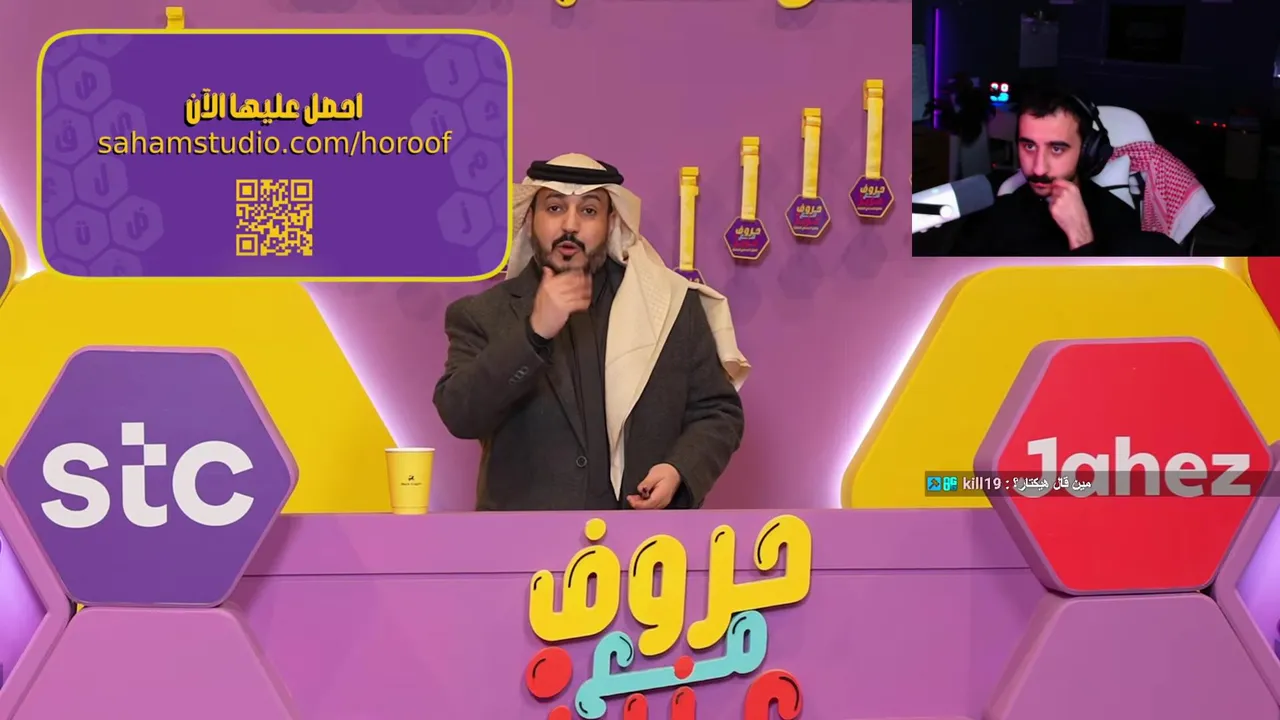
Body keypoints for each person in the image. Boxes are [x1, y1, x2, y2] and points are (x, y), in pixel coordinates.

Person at [433, 153, 749, 511]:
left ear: (611, 221)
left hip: (643, 536)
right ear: (530, 219)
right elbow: (459, 414)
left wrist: (679, 469)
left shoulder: (669, 307)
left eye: (588, 211)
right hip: (525, 540)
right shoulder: (482, 314)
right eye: (554, 208)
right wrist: (534, 332)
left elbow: (717, 412)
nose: (570, 225)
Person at [952, 88, 1186, 256]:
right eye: (1029, 146)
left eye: (1057, 149)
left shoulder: (1117, 220)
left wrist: (1081, 238)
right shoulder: (995, 218)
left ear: (1087, 151)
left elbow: (1110, 303)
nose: (1038, 168)